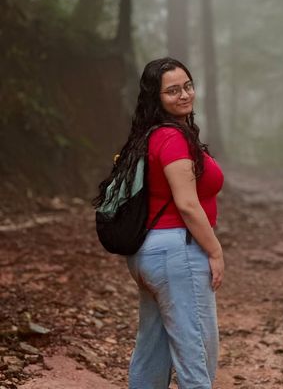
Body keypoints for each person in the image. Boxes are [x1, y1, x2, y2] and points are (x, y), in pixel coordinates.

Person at [97, 57, 224, 389]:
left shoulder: (152, 135)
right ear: (156, 97)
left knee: (153, 351)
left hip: (149, 255)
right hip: (176, 253)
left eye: (187, 86)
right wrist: (215, 251)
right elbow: (187, 204)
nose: (183, 95)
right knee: (196, 355)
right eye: (172, 91)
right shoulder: (172, 139)